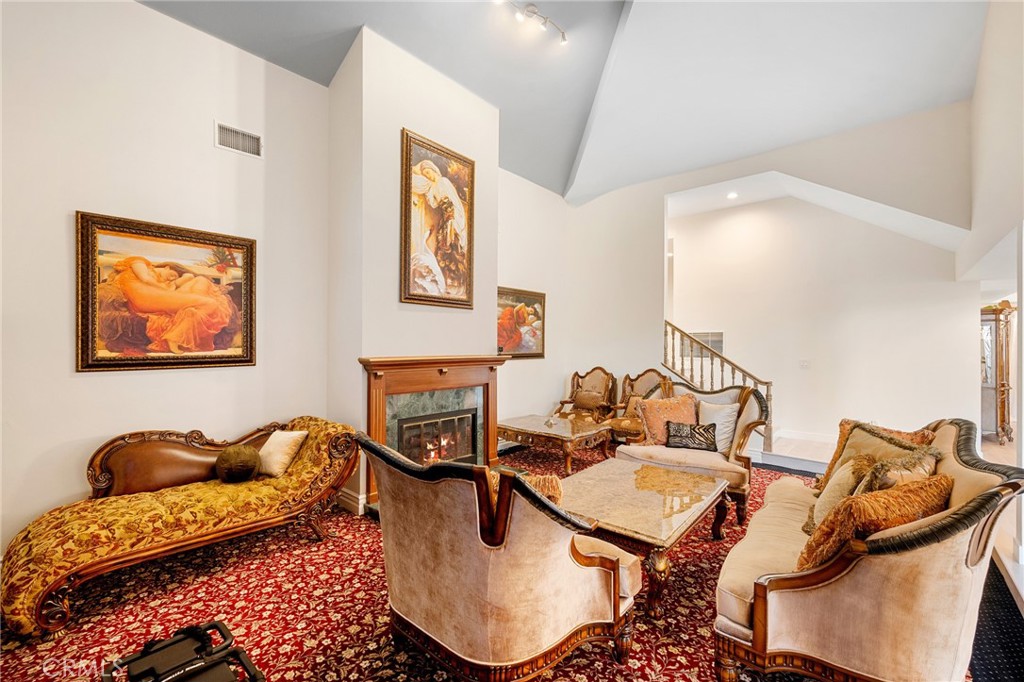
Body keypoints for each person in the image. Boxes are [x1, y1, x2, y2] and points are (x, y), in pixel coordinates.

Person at [109, 256, 233, 354]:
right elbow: (145, 278)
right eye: (173, 275)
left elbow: (181, 283)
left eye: (174, 278)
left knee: (201, 280)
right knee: (210, 303)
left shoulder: (163, 282)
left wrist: (182, 279)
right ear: (167, 267)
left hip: (154, 296)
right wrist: (169, 287)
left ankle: (189, 314)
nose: (171, 278)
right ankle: (175, 336)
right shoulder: (139, 261)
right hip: (146, 297)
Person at [409, 159, 468, 296]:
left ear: (434, 170)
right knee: (444, 246)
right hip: (445, 220)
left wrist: (451, 217)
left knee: (451, 245)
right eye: (426, 174)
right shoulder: (433, 186)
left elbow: (451, 201)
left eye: (429, 172)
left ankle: (453, 277)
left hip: (451, 219)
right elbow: (435, 202)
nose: (429, 175)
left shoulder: (443, 182)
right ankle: (449, 277)